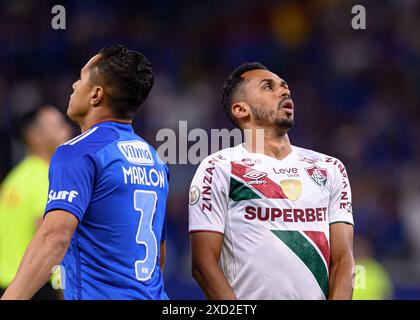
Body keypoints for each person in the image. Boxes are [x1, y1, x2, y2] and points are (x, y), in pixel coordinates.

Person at [1, 45, 169, 300]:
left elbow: (54, 237)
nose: (73, 86)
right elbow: (159, 253)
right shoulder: (155, 161)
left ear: (96, 95)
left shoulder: (77, 152)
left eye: (80, 79)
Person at [189, 62, 355, 300]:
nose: (284, 91)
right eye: (268, 87)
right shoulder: (219, 168)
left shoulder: (330, 168)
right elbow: (203, 265)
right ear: (240, 109)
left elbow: (343, 261)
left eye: (284, 86)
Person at [0, 105, 71, 299]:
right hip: (36, 288)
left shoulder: (14, 179)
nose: (67, 129)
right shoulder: (48, 177)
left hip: (8, 286)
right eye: (57, 126)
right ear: (35, 137)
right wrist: (63, 288)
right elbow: (50, 237)